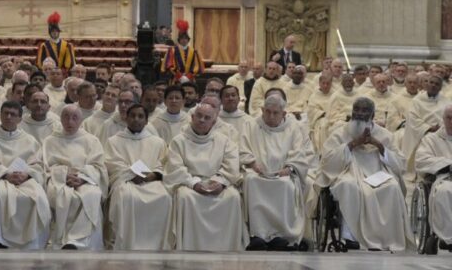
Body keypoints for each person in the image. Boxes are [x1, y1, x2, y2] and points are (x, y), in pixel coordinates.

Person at [318, 97, 410, 251]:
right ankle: (350, 237)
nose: (359, 113)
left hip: (377, 173)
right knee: (348, 186)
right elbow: (327, 161)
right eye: (357, 109)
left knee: (393, 187)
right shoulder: (339, 133)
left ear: (373, 115)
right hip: (349, 172)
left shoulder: (385, 135)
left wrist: (379, 145)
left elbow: (400, 163)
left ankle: (384, 238)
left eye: (364, 110)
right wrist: (353, 143)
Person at [165, 103, 245, 251]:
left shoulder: (224, 141)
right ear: (192, 117)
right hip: (189, 184)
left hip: (217, 181)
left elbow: (231, 165)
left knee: (233, 196)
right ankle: (190, 248)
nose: (202, 120)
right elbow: (175, 168)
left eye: (207, 117)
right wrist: (194, 183)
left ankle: (226, 249)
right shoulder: (179, 141)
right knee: (184, 197)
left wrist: (221, 182)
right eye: (199, 116)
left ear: (213, 122)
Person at [240, 95, 312, 251]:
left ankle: (280, 235)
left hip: (283, 173)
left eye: (275, 113)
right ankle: (258, 235)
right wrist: (252, 163)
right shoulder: (251, 125)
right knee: (251, 181)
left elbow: (299, 153)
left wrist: (289, 168)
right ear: (262, 110)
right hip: (257, 172)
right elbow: (243, 149)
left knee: (286, 185)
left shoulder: (293, 129)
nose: (271, 116)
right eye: (268, 112)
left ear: (284, 114)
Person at [0, 101, 51, 249]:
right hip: (0, 179)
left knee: (38, 197)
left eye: (13, 115)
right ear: (0, 115)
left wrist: (27, 174)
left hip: (25, 179)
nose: (9, 117)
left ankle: (32, 242)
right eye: (5, 113)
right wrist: (5, 174)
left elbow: (37, 163)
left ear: (20, 119)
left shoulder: (29, 140)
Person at [105, 104, 173, 250]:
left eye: (140, 116)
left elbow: (163, 164)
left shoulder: (157, 142)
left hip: (151, 181)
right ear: (126, 118)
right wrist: (130, 174)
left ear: (147, 121)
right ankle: (126, 243)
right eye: (133, 116)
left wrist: (153, 174)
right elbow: (112, 164)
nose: (136, 119)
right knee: (125, 196)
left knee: (165, 196)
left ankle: (157, 245)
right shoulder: (114, 141)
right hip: (126, 181)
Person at [43, 105, 108, 249]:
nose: (70, 122)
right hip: (58, 180)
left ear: (81, 121)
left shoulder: (91, 141)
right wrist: (63, 175)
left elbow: (98, 166)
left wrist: (82, 177)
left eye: (74, 118)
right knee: (61, 195)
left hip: (85, 180)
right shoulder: (50, 141)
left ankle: (78, 241)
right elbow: (45, 167)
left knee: (93, 194)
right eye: (66, 117)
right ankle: (61, 239)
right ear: (60, 119)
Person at [414, 104, 452, 246]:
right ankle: (448, 237)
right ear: (443, 119)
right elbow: (421, 160)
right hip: (445, 178)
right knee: (446, 191)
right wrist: (448, 164)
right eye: (449, 118)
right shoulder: (431, 139)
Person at [403, 75, 449, 183]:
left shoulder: (446, 101)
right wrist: (428, 128)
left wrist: (439, 128)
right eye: (431, 82)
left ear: (441, 87)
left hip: (441, 134)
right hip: (421, 133)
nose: (433, 85)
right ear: (426, 84)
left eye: (437, 84)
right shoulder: (417, 101)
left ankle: (441, 169)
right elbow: (412, 118)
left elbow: (448, 117)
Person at [160, 20, 205, 84]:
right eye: (182, 38)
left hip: (190, 80)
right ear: (179, 40)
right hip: (176, 80)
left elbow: (196, 66)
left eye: (186, 38)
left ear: (188, 40)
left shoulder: (194, 51)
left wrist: (188, 77)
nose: (184, 40)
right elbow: (170, 65)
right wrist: (180, 77)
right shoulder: (172, 50)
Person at [306, 72, 334, 152]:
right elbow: (311, 111)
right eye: (323, 83)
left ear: (331, 84)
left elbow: (338, 109)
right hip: (319, 119)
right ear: (319, 83)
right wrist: (323, 113)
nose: (325, 85)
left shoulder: (335, 95)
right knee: (324, 126)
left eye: (328, 83)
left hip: (333, 119)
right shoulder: (314, 96)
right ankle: (323, 151)